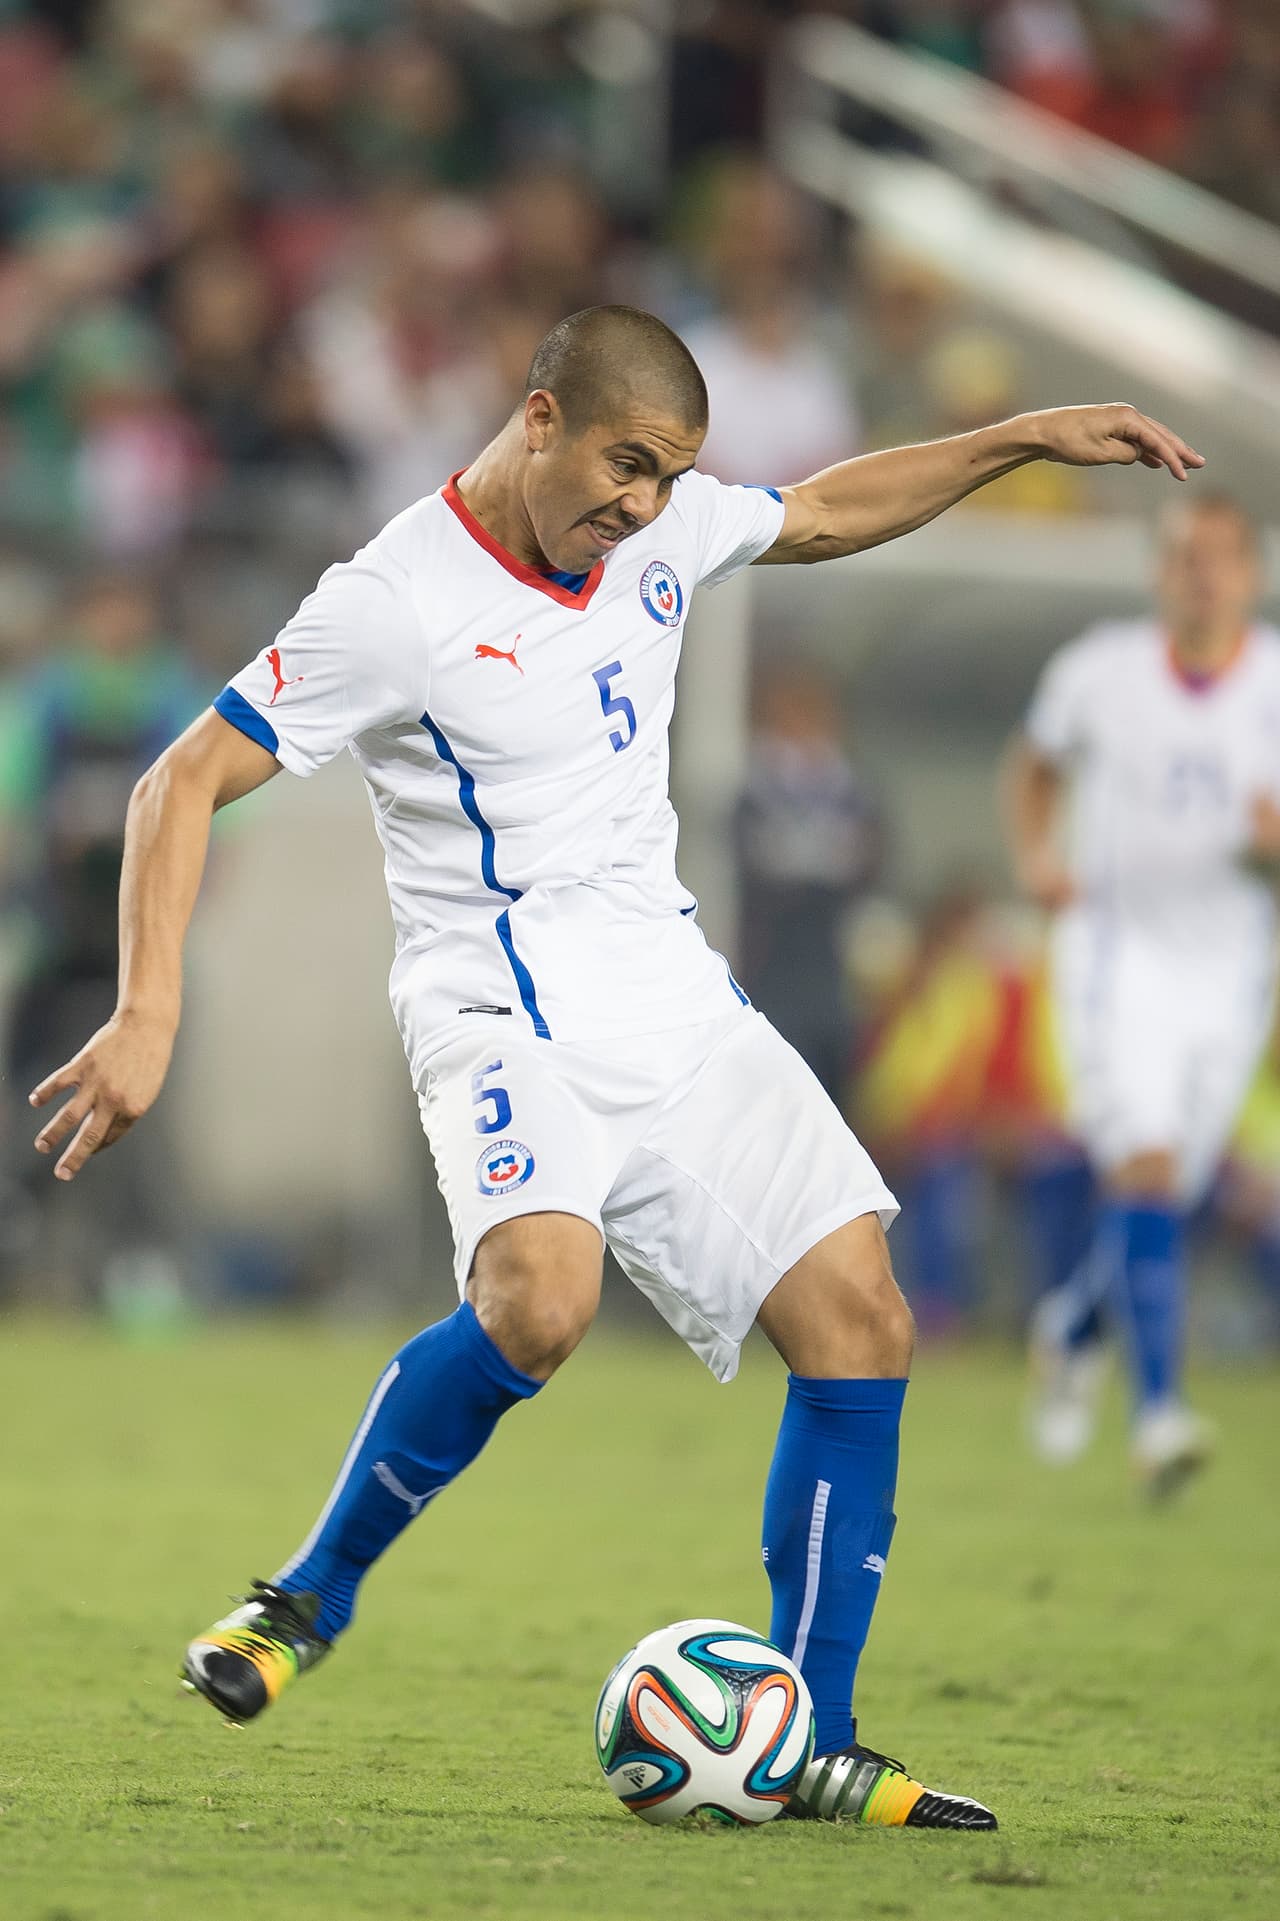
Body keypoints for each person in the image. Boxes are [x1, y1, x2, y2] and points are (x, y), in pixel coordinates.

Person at [29, 305, 1200, 1830]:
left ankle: (812, 1741)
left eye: (673, 478)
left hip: (675, 999)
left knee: (865, 1322)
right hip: (501, 1011)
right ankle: (303, 1603)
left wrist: (1020, 436)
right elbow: (181, 780)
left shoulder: (662, 527)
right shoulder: (395, 600)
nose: (647, 506)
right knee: (542, 1297)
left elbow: (829, 509)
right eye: (628, 465)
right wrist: (148, 1011)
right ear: (538, 419)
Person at [1004, 493, 1280, 1495]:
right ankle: (1158, 1413)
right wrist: (1035, 854)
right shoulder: (1098, 671)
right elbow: (1032, 766)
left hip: (1232, 970)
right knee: (1150, 1171)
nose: (1199, 574)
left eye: (1218, 557)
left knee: (1173, 1192)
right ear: (1158, 574)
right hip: (1116, 959)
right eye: (1181, 557)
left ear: (1248, 574)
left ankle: (1075, 1322)